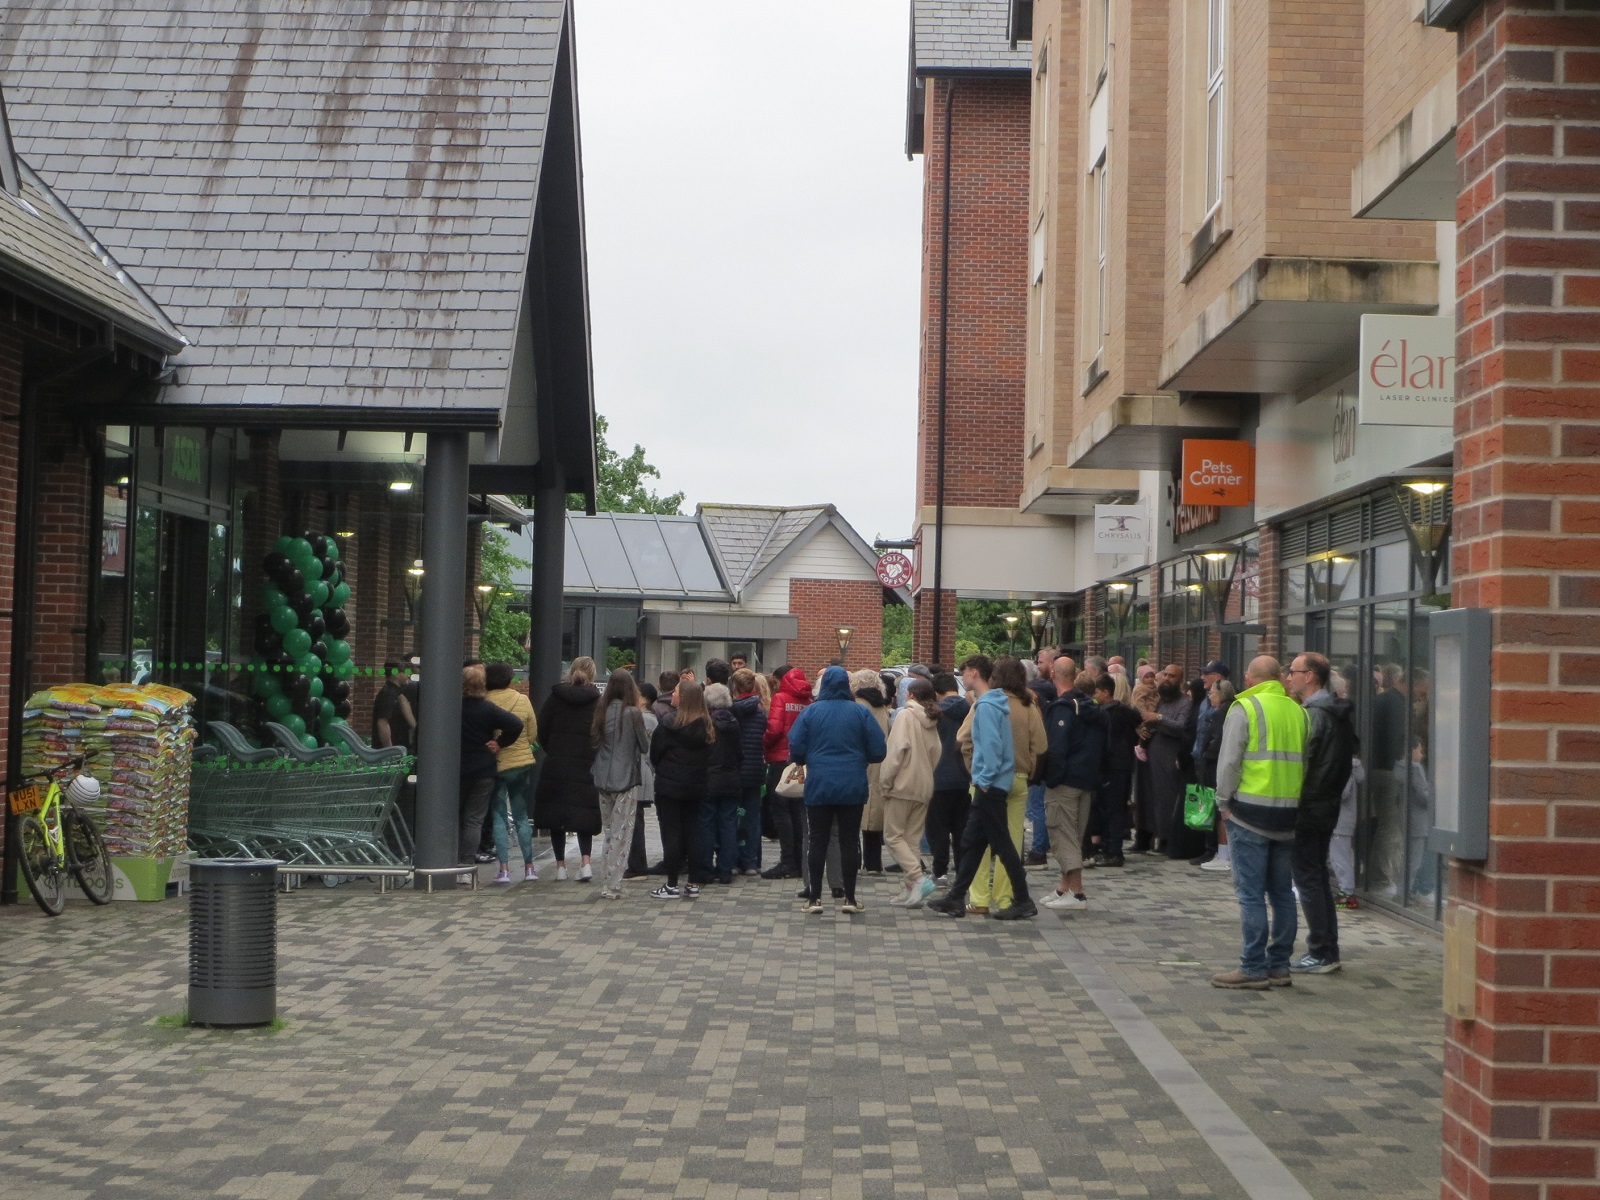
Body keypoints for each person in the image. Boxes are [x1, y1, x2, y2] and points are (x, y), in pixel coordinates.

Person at [1211, 656, 1308, 989]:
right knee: (1282, 893)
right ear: (1279, 678)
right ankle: (1279, 965)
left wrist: (1223, 802)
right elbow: (1306, 763)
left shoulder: (1245, 708)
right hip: (1288, 813)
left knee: (1250, 894)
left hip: (1249, 813)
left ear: (1249, 679)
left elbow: (1229, 762)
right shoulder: (1298, 711)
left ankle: (1252, 967)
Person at [928, 655, 1037, 921]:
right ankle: (956, 897)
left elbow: (991, 748)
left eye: (963, 673)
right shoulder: (994, 703)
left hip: (990, 786)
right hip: (994, 783)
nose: (961, 678)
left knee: (1002, 845)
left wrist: (984, 780)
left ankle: (1022, 899)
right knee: (972, 843)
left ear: (974, 673)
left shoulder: (986, 706)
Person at [786, 665, 888, 914]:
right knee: (849, 840)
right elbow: (879, 750)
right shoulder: (860, 713)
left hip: (819, 783)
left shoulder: (811, 712)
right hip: (852, 784)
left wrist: (805, 758)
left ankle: (814, 899)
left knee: (818, 840)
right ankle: (850, 898)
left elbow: (796, 747)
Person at [955, 656, 1047, 915]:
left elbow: (962, 737)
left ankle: (979, 897)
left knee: (979, 843)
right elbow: (1041, 745)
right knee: (1012, 839)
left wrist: (974, 768)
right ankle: (1006, 897)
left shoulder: (986, 703)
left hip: (988, 779)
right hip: (1018, 778)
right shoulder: (1029, 705)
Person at [1286, 651, 1356, 974]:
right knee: (1318, 877)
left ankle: (1320, 951)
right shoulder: (1335, 712)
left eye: (1294, 671)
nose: (1289, 677)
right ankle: (1327, 950)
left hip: (1311, 806)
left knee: (1309, 877)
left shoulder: (1314, 715)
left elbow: (1304, 762)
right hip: (1326, 806)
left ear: (1310, 676)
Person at [1040, 657, 1102, 909]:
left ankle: (1076, 892)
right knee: (1074, 835)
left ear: (1053, 673)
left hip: (1064, 782)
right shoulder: (1089, 706)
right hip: (1086, 780)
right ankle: (1063, 887)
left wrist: (1051, 778)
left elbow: (1055, 749)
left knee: (1063, 835)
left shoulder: (1063, 708)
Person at [533, 657, 602, 881]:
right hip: (585, 764)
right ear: (592, 674)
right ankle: (586, 864)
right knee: (584, 813)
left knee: (556, 815)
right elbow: (601, 733)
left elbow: (541, 729)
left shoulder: (556, 697)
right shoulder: (597, 701)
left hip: (557, 763)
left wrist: (553, 748)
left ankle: (561, 867)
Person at [880, 677, 942, 907]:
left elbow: (895, 753)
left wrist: (885, 783)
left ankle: (917, 878)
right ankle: (911, 890)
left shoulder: (905, 715)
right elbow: (937, 751)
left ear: (911, 695)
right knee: (912, 839)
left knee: (893, 836)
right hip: (924, 785)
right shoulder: (931, 718)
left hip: (902, 785)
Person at [649, 679, 714, 898]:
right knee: (694, 833)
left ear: (683, 698)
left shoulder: (668, 724)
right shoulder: (706, 725)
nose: (672, 695)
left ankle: (671, 883)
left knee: (671, 833)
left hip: (669, 785)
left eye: (675, 692)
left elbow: (655, 753)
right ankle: (694, 883)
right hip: (696, 785)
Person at [457, 664, 525, 874]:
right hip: (484, 769)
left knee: (454, 816)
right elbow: (516, 724)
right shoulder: (488, 709)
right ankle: (467, 865)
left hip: (456, 770)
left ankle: (449, 857)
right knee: (474, 818)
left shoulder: (452, 708)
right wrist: (500, 743)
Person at [590, 669, 651, 899]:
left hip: (602, 774)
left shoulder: (601, 710)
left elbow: (595, 741)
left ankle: (606, 878)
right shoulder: (633, 713)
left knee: (608, 831)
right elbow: (644, 746)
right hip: (625, 777)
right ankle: (613, 883)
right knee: (622, 832)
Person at [484, 661, 538, 884]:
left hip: (495, 765)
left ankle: (504, 869)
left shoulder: (485, 702)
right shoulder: (522, 700)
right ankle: (529, 868)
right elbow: (532, 733)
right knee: (521, 816)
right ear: (510, 679)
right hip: (520, 764)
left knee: (498, 815)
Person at [760, 666, 813, 879]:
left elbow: (773, 730)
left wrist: (764, 746)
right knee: (798, 811)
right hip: (800, 762)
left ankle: (787, 861)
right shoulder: (808, 702)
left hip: (779, 761)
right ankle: (800, 861)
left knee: (781, 811)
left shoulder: (781, 698)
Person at [1140, 665, 1195, 857]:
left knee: (1169, 799)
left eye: (1172, 676)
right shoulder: (1161, 700)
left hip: (1171, 757)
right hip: (1155, 756)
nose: (1166, 679)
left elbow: (1182, 727)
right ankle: (1154, 837)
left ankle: (1168, 840)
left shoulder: (1185, 704)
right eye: (1165, 675)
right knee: (1155, 800)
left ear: (1180, 680)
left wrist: (1159, 718)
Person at [1086, 675, 1137, 868]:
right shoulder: (1126, 711)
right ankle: (1109, 848)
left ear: (1106, 692)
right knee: (1112, 808)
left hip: (1112, 766)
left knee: (1112, 809)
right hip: (1122, 764)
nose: (1095, 695)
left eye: (1097, 692)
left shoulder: (1106, 713)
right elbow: (1138, 725)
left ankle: (1113, 851)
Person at [927, 672, 971, 884]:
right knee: (961, 827)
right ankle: (964, 869)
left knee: (939, 829)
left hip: (938, 776)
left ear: (936, 693)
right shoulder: (970, 709)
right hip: (964, 776)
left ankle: (940, 871)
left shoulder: (934, 714)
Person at [1024, 655, 1068, 866]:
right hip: (1042, 762)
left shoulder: (1039, 713)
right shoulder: (1050, 711)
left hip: (1038, 763)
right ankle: (1042, 846)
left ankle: (1039, 849)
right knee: (1038, 806)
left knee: (1036, 807)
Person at [700, 683, 743, 885]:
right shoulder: (734, 723)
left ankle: (706, 869)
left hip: (709, 778)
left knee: (707, 824)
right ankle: (726, 870)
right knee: (728, 825)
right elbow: (739, 753)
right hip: (731, 778)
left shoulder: (706, 723)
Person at [850, 670, 892, 874]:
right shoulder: (883, 707)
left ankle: (855, 860)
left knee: (854, 813)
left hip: (860, 760)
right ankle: (874, 862)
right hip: (881, 761)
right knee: (875, 812)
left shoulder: (857, 706)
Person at [730, 668, 768, 876]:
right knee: (753, 818)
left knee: (733, 816)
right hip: (755, 770)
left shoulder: (731, 711)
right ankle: (752, 861)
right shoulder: (760, 712)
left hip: (736, 770)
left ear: (734, 687)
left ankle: (734, 859)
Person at [1197, 679, 1237, 873]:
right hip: (1214, 763)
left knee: (1220, 808)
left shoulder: (1222, 712)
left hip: (1215, 766)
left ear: (1221, 694)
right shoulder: (1226, 710)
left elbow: (1218, 739)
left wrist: (1206, 754)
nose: (1210, 697)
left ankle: (1222, 853)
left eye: (1212, 693)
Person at [624, 682, 659, 881]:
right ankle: (637, 864)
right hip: (645, 771)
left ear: (644, 698)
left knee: (634, 820)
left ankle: (637, 865)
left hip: (640, 771)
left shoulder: (645, 719)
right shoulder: (651, 718)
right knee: (636, 818)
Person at [373, 661, 416, 751]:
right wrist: (389, 749)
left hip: (401, 745)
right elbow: (382, 723)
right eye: (406, 672)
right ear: (396, 674)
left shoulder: (398, 692)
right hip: (392, 749)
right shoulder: (388, 694)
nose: (408, 675)